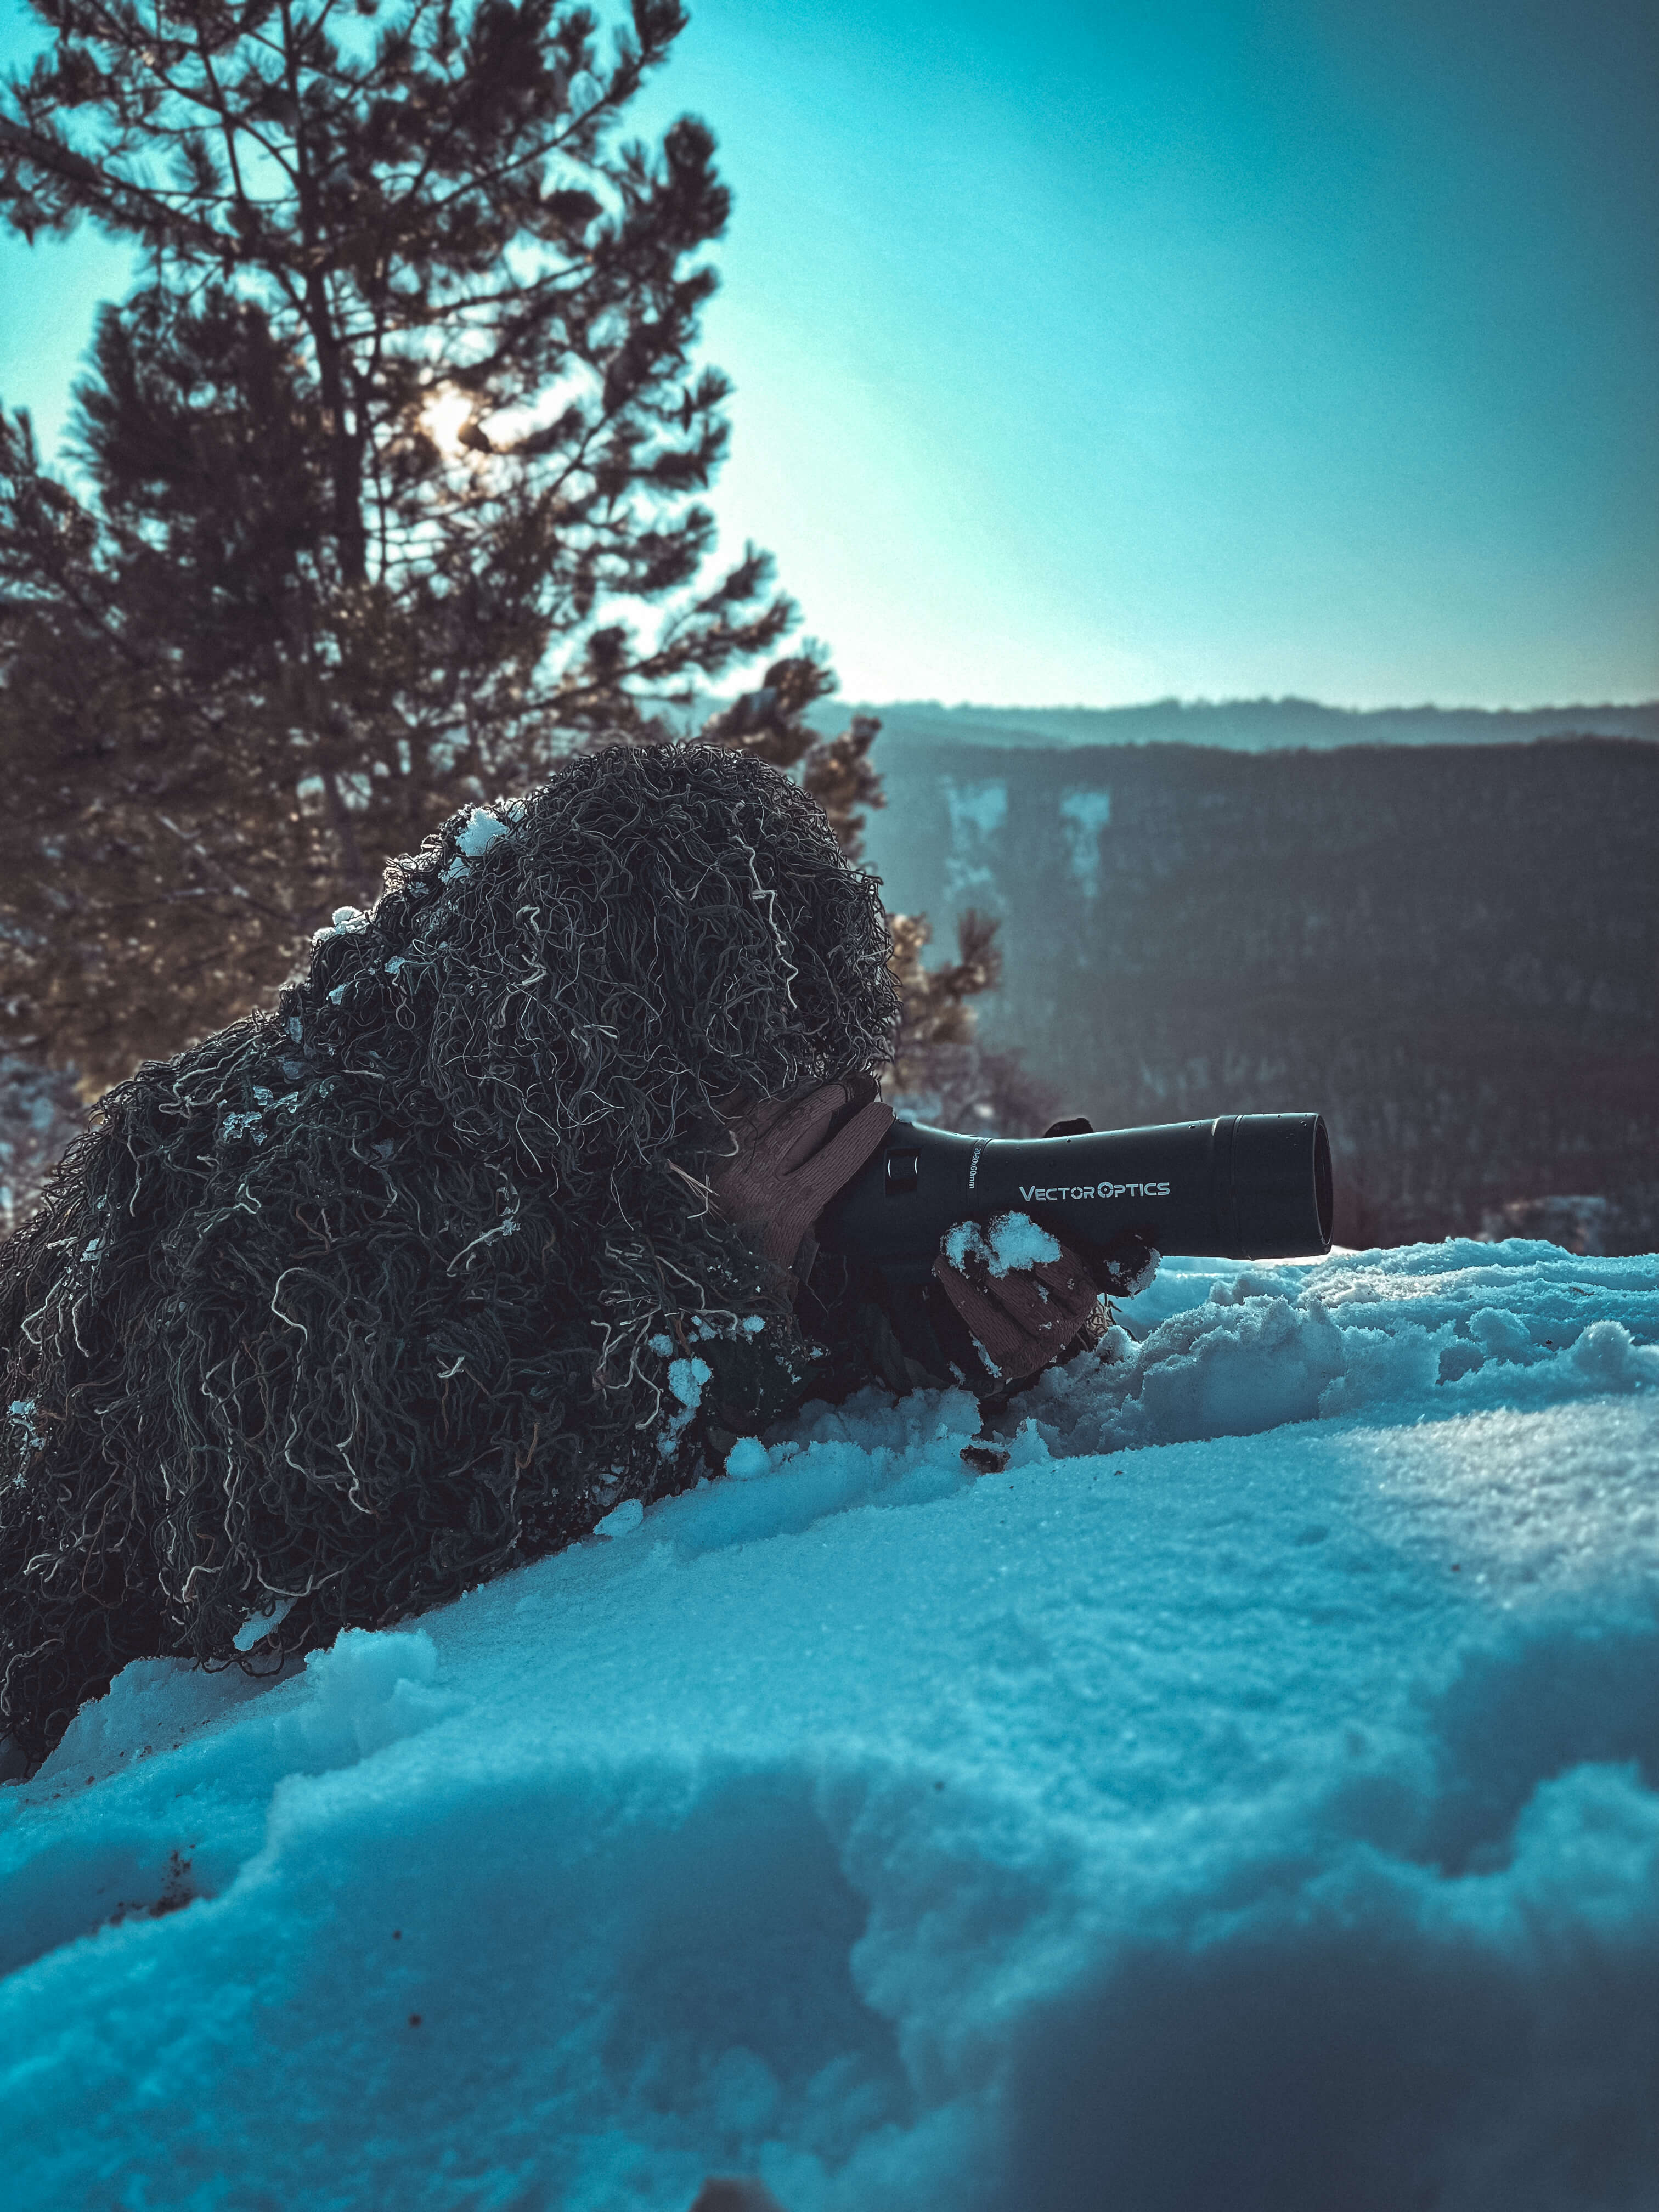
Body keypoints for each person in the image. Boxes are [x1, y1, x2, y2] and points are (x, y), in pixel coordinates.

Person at [0, 743, 1124, 1772]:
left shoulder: (590, 1119)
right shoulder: (300, 1195)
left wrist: (951, 1325)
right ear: (615, 1034)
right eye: (732, 1083)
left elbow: (769, 1313)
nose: (759, 1119)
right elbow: (304, 1588)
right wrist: (716, 1296)